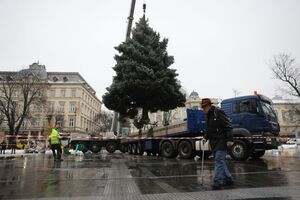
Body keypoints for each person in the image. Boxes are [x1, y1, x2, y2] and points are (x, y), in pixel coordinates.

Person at [201, 98, 234, 190]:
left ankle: (217, 182)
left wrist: (230, 139)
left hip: (221, 140)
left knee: (219, 160)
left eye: (204, 107)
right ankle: (228, 179)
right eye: (202, 108)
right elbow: (209, 129)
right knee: (220, 161)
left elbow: (228, 125)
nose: (203, 109)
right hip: (214, 142)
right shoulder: (208, 116)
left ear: (209, 106)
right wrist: (205, 137)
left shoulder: (218, 112)